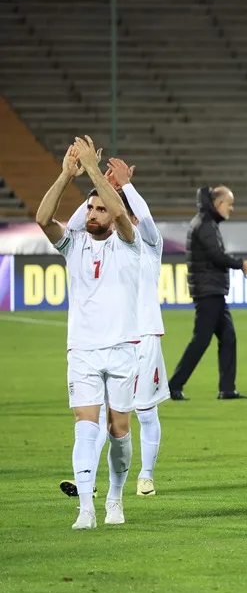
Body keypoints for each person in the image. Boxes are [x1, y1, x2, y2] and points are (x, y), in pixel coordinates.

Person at [37, 137, 141, 529]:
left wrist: (96, 172)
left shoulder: (129, 244)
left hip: (122, 349)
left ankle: (115, 498)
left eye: (100, 208)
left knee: (118, 430)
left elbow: (122, 213)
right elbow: (43, 219)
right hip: (82, 350)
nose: (94, 213)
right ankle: (85, 509)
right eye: (90, 208)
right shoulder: (73, 244)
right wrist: (67, 174)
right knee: (85, 427)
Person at [60, 157, 168, 497]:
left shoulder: (149, 246)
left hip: (145, 337)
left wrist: (127, 187)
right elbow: (76, 228)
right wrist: (100, 187)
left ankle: (146, 476)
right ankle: (88, 481)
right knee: (99, 416)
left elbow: (144, 218)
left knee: (145, 412)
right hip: (111, 339)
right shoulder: (106, 247)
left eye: (125, 213)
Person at [168, 186, 247, 401]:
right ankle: (173, 386)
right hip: (208, 291)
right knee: (201, 340)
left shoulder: (205, 222)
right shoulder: (205, 224)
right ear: (218, 204)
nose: (231, 209)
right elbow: (217, 255)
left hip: (211, 289)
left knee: (228, 337)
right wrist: (241, 263)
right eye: (229, 204)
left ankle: (227, 389)